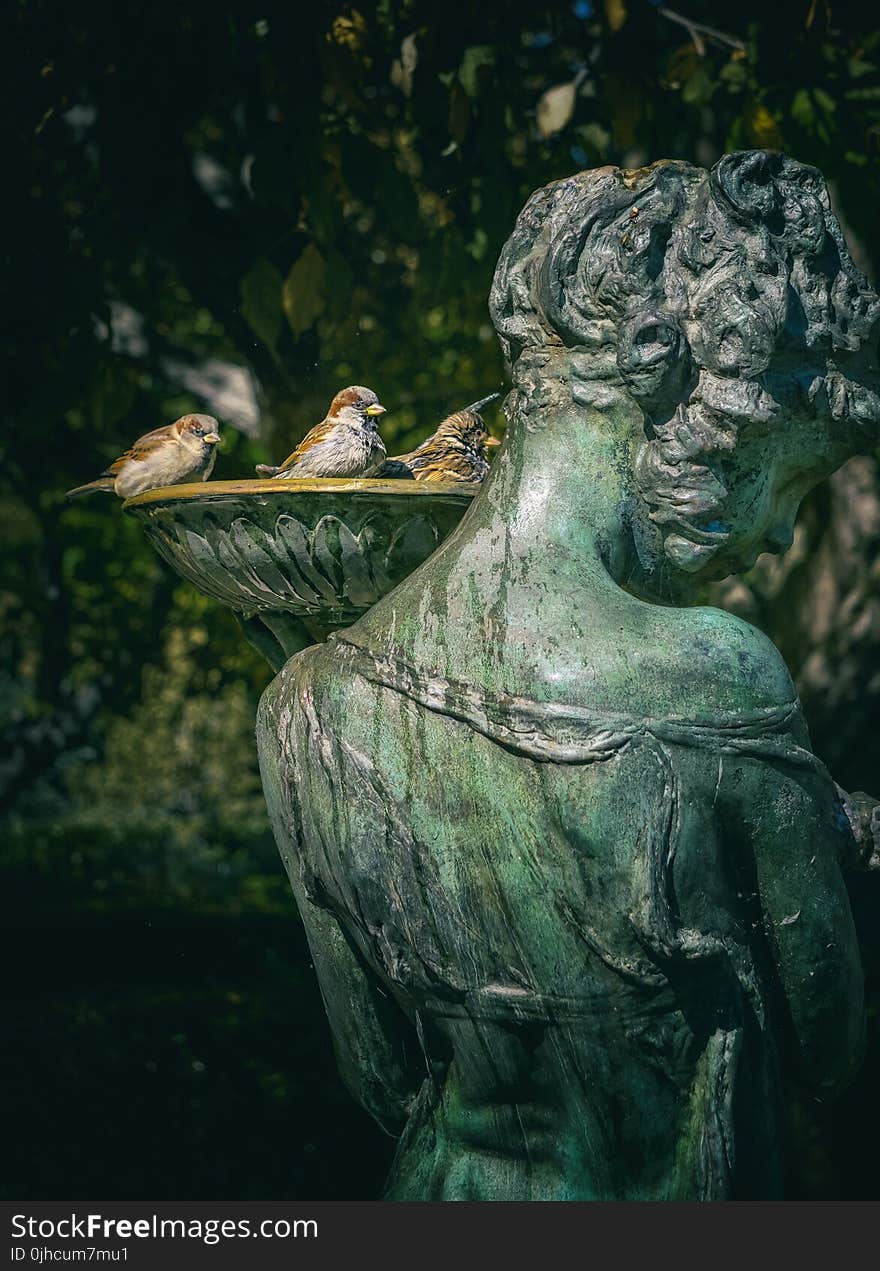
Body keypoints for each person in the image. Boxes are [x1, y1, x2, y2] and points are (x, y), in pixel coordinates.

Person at [257, 151, 879, 1200]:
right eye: (796, 475)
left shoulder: (305, 703)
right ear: (686, 391)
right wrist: (834, 843)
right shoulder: (717, 680)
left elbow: (377, 1077)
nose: (781, 534)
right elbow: (827, 1050)